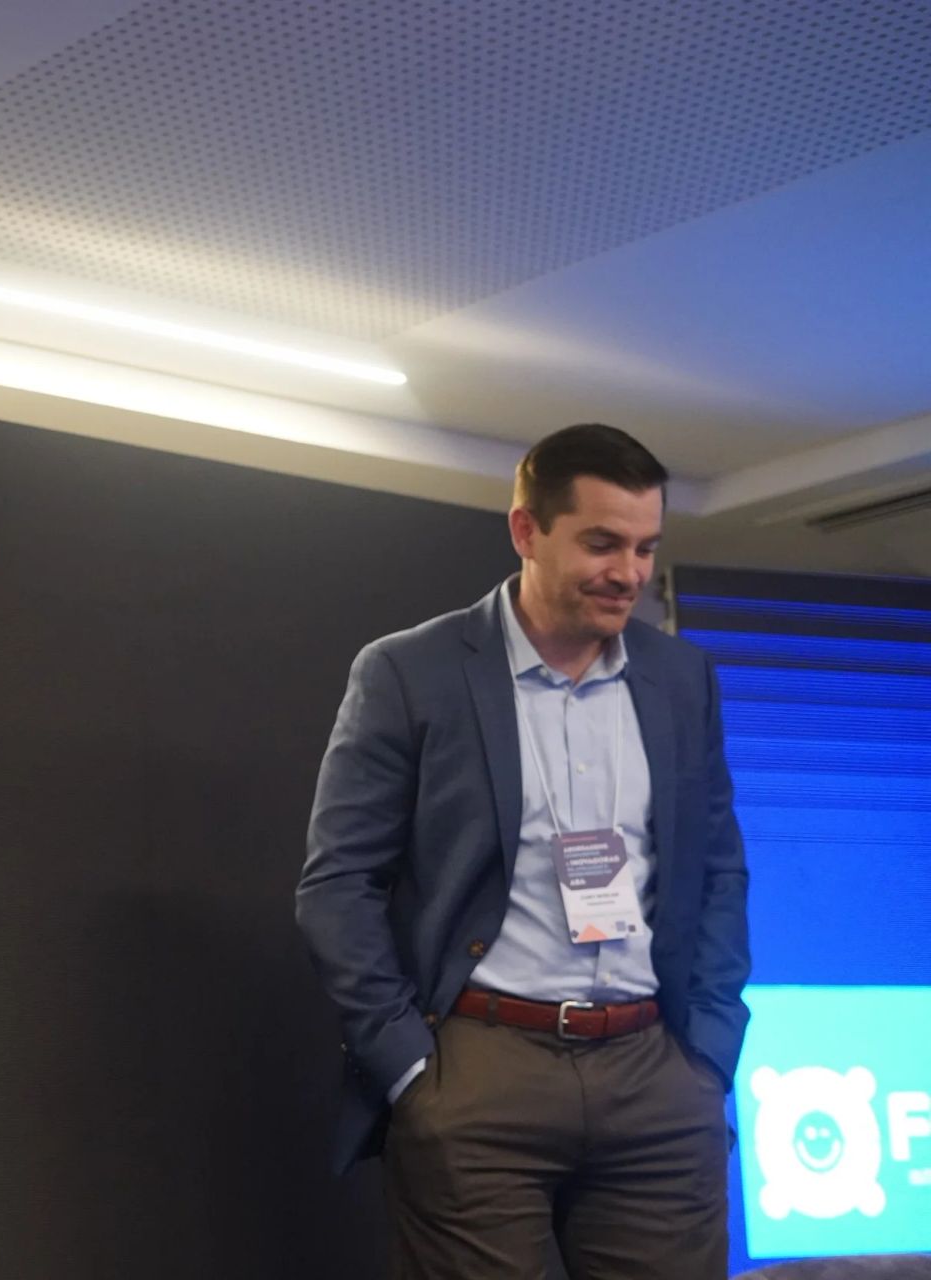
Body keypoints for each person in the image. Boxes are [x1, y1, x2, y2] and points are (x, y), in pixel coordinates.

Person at [297, 423, 750, 1279]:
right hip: (481, 1066)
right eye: (603, 543)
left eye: (647, 547)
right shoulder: (411, 672)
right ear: (526, 531)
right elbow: (338, 883)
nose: (629, 573)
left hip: (655, 1069)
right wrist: (408, 1068)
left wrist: (710, 1054)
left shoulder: (681, 678)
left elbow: (718, 868)